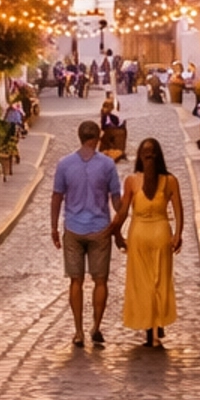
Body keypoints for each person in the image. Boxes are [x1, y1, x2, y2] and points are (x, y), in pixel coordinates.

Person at [50, 119, 125, 350]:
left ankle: (78, 331)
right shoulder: (107, 165)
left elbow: (57, 197)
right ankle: (96, 326)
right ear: (98, 137)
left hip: (73, 228)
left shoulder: (64, 164)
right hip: (100, 227)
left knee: (76, 280)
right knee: (100, 280)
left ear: (79, 136)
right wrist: (118, 224)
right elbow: (115, 197)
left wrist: (54, 227)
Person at [113, 135, 184, 346]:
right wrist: (178, 234)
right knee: (160, 280)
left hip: (139, 235)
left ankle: (149, 328)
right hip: (161, 233)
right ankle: (156, 328)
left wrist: (114, 232)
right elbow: (179, 211)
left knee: (142, 282)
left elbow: (123, 211)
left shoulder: (132, 181)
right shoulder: (170, 181)